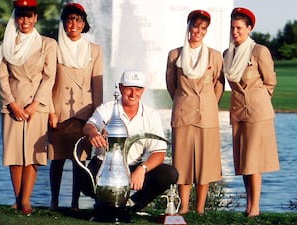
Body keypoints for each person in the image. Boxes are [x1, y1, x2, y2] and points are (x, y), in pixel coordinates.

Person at [83, 70, 178, 212]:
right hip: (105, 167)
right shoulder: (108, 108)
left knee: (169, 174)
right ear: (121, 88)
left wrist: (142, 169)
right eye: (129, 89)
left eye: (138, 89)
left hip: (133, 167)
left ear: (143, 90)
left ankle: (133, 204)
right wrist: (93, 134)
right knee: (83, 178)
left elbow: (159, 152)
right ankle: (105, 202)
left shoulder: (151, 115)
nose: (133, 94)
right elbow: (89, 126)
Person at [0, 0, 57, 216]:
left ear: (36, 18)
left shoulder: (48, 44)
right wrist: (12, 104)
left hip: (37, 106)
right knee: (14, 155)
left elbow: (49, 78)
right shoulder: (6, 45)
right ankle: (17, 198)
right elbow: (2, 77)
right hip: (12, 105)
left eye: (29, 16)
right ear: (16, 18)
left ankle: (26, 200)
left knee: (32, 155)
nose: (25, 21)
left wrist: (34, 105)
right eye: (21, 16)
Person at [222, 7, 279, 217]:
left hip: (257, 112)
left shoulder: (259, 51)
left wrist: (258, 100)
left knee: (254, 160)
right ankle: (248, 206)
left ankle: (254, 208)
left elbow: (270, 81)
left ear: (249, 28)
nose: (235, 32)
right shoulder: (227, 53)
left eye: (239, 28)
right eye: (232, 28)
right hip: (238, 111)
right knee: (243, 161)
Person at [165, 10, 224, 215]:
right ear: (188, 26)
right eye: (195, 26)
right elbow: (171, 85)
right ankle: (184, 207)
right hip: (183, 114)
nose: (198, 31)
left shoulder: (215, 56)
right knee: (182, 162)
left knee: (205, 164)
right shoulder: (175, 55)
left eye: (203, 28)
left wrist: (208, 103)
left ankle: (200, 209)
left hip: (206, 116)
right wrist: (185, 101)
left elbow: (219, 84)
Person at [48, 2, 103, 211]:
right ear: (63, 23)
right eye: (69, 19)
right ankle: (53, 201)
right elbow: (48, 82)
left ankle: (75, 203)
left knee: (79, 161)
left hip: (84, 113)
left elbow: (97, 85)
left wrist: (97, 117)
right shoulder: (53, 47)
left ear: (84, 23)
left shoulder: (94, 50)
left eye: (78, 20)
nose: (73, 24)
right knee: (58, 159)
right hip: (59, 112)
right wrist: (50, 111)